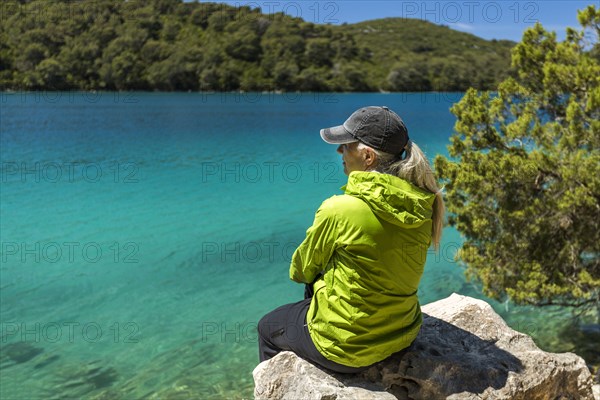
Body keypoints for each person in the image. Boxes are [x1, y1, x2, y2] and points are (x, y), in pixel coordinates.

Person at [258, 106, 444, 373]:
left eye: (345, 145)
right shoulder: (424, 205)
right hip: (403, 334)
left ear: (367, 156)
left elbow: (300, 270)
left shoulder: (340, 209)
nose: (339, 151)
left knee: (267, 327)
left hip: (346, 349)